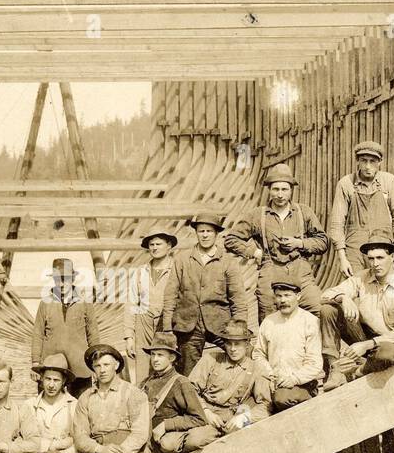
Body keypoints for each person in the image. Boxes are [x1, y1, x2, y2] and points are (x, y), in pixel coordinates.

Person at [224, 162, 330, 322]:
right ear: (269, 190)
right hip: (270, 269)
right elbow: (231, 239)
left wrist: (300, 243)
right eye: (276, 189)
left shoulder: (303, 212)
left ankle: (323, 347)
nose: (280, 194)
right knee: (268, 315)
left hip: (300, 270)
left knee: (322, 310)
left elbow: (323, 242)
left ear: (291, 191)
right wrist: (253, 252)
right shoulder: (257, 215)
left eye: (284, 189)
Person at [319, 229, 394, 389]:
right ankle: (336, 369)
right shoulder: (362, 277)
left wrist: (367, 345)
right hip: (366, 337)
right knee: (329, 310)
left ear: (393, 257)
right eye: (371, 259)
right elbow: (325, 295)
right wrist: (343, 298)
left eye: (380, 258)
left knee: (385, 354)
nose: (375, 264)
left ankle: (358, 371)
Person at [161, 212, 247, 376]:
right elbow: (170, 294)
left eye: (209, 231)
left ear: (216, 234)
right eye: (201, 231)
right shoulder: (183, 259)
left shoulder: (228, 261)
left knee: (239, 359)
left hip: (220, 323)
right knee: (188, 371)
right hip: (188, 324)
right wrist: (167, 327)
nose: (205, 235)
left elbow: (238, 298)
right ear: (196, 233)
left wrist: (239, 328)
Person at [67, 345, 150, 453]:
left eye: (106, 365)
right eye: (97, 366)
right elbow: (80, 437)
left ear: (117, 365)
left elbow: (140, 434)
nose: (102, 370)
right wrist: (101, 450)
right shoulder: (86, 398)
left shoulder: (132, 393)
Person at [179, 320, 270, 451]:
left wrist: (243, 417)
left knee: (242, 443)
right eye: (229, 343)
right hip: (204, 412)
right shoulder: (210, 359)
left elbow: (266, 405)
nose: (233, 349)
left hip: (232, 417)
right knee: (193, 441)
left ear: (247, 344)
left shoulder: (256, 368)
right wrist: (206, 412)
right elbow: (190, 389)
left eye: (237, 344)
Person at [327, 141, 394, 279]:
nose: (368, 166)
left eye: (373, 161)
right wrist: (342, 258)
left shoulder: (388, 181)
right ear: (357, 161)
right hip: (355, 248)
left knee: (385, 290)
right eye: (364, 161)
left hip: (383, 244)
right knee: (356, 288)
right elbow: (336, 224)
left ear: (380, 162)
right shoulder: (346, 184)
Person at [31, 258, 101, 397]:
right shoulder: (45, 303)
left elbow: (93, 334)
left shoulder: (85, 302)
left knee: (81, 409)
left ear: (73, 279)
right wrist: (35, 362)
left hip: (80, 370)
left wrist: (97, 361)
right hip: (52, 370)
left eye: (65, 279)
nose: (62, 284)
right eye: (58, 279)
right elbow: (38, 333)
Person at [138, 333, 207, 453]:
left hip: (162, 449)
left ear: (172, 357)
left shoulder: (181, 383)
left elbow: (199, 419)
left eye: (160, 355)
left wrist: (166, 425)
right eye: (153, 354)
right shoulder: (145, 382)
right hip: (141, 443)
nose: (155, 359)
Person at [253, 279, 323, 412]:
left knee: (282, 398)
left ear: (298, 296)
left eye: (287, 295)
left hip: (302, 383)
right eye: (279, 296)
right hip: (273, 381)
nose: (282, 300)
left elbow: (314, 363)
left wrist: (294, 379)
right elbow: (258, 354)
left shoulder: (310, 321)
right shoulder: (269, 322)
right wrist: (270, 375)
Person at [124, 230, 178, 382]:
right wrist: (129, 337)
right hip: (144, 323)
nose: (154, 247)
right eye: (151, 244)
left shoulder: (177, 269)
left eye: (158, 244)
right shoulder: (140, 272)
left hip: (168, 324)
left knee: (168, 366)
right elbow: (131, 304)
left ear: (169, 246)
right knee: (142, 369)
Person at [25, 353, 79, 453]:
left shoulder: (73, 405)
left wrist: (56, 450)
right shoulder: (30, 405)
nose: (51, 385)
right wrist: (53, 445)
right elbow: (27, 442)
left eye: (56, 380)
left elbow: (78, 441)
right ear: (41, 378)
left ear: (64, 381)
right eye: (48, 379)